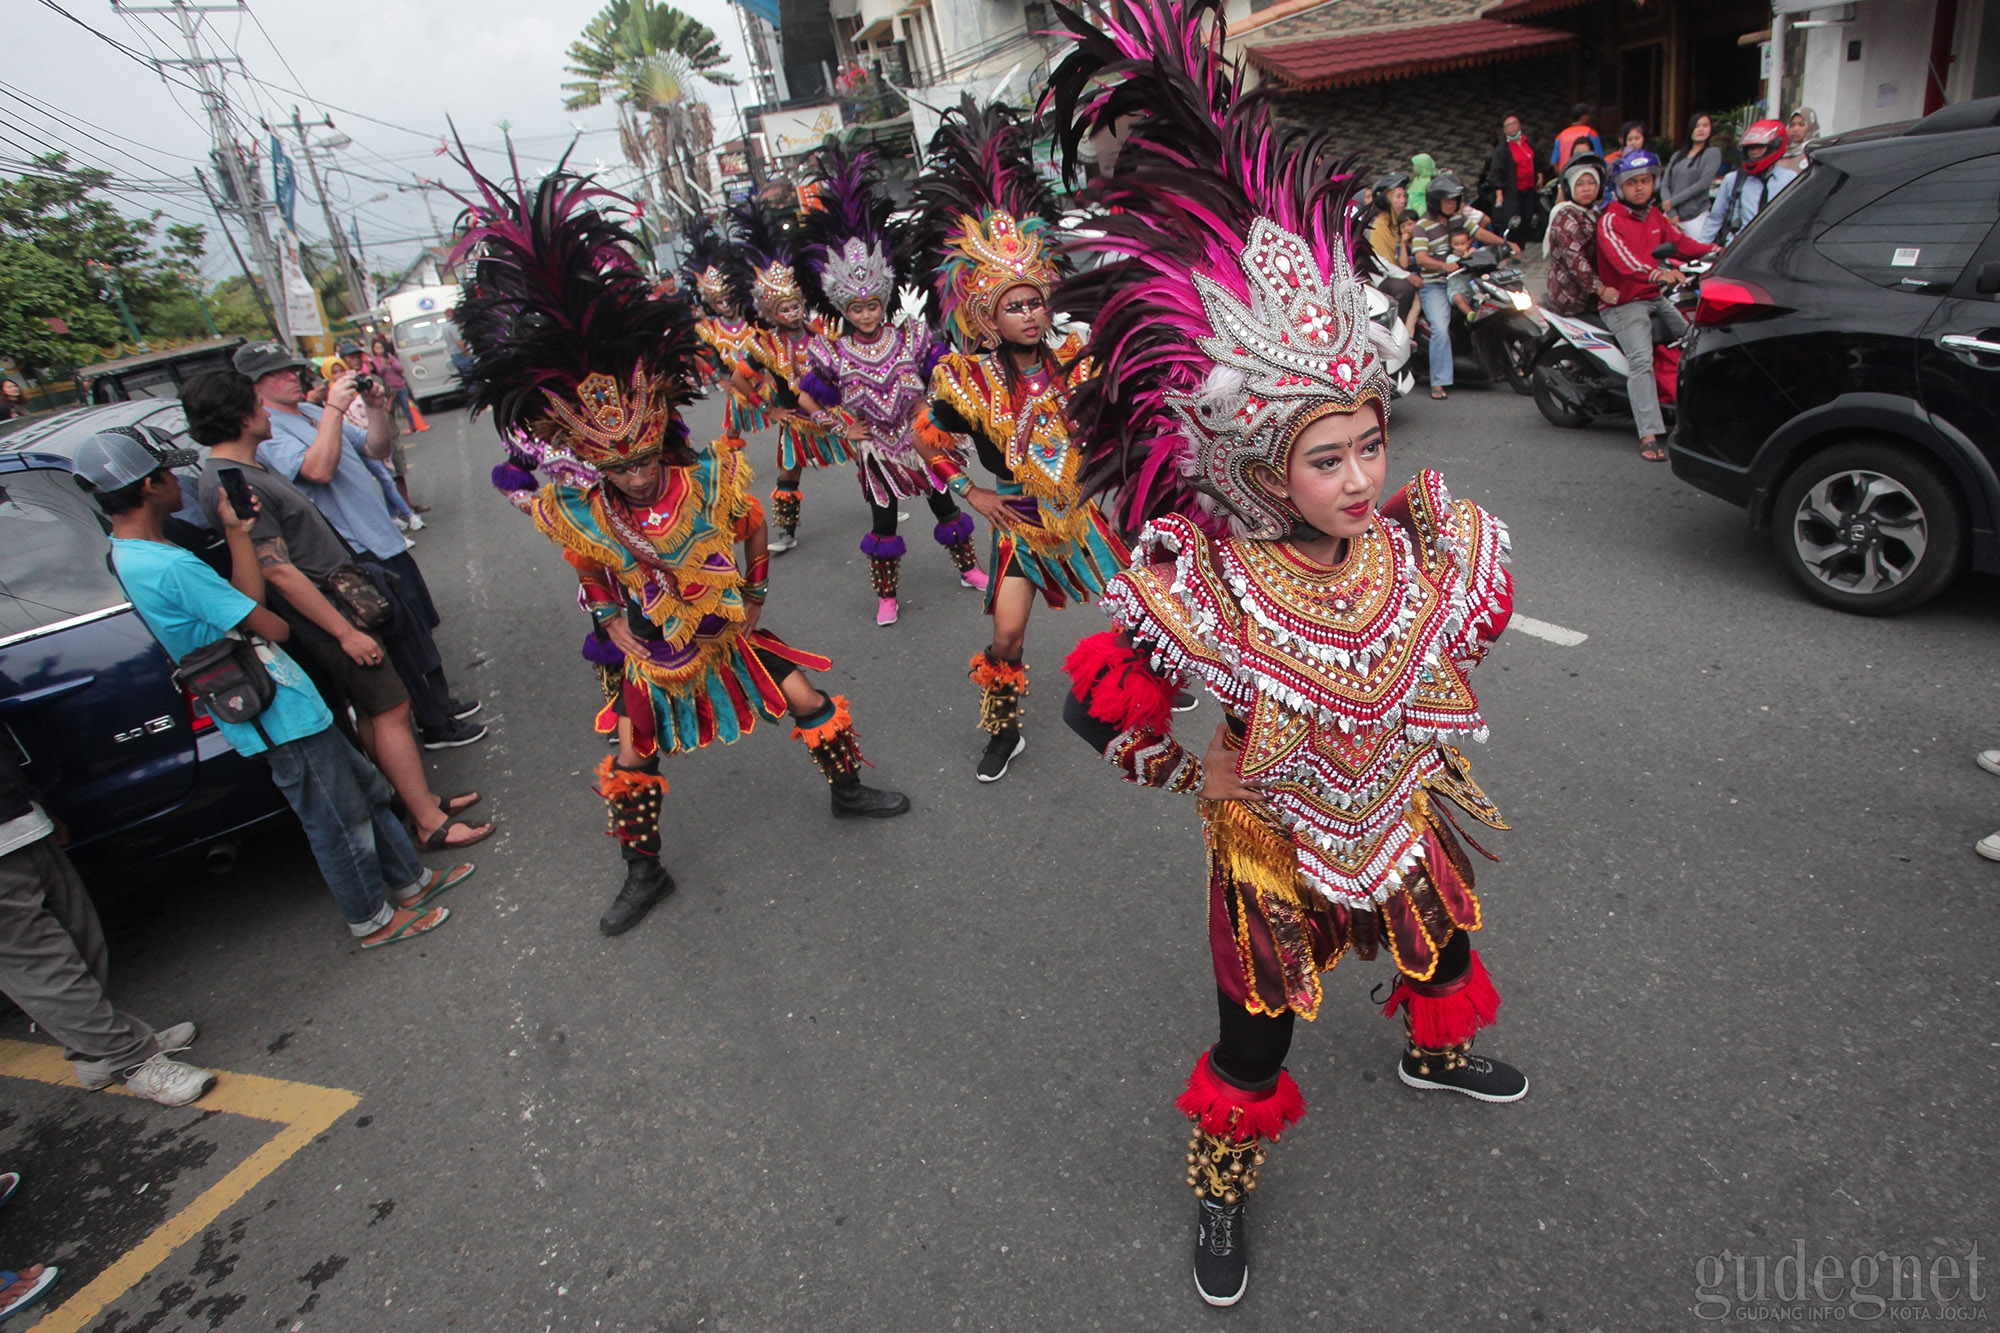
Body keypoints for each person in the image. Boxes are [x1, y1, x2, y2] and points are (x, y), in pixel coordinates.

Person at [1047, 0, 1529, 1305]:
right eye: (1330, 458)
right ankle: (1220, 1185)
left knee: (1437, 942)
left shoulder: (1419, 539)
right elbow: (1097, 700)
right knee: (1254, 1040)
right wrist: (1165, 756)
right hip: (1269, 840)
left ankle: (1432, 1052)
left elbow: (1451, 642)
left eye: (1370, 440)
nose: (1365, 475)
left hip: (1399, 809)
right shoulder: (1204, 580)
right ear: (1256, 461)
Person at [456, 160, 911, 938]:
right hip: (654, 649)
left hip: (731, 629)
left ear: (659, 440)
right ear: (595, 460)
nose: (633, 474)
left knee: (808, 700)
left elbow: (755, 529)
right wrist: (611, 623)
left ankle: (846, 789)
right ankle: (644, 869)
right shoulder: (587, 508)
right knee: (634, 758)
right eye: (616, 464)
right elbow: (590, 564)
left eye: (641, 458)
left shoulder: (708, 479)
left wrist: (757, 596)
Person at [74, 429, 468, 948]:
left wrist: (238, 535)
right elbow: (269, 623)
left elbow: (239, 606)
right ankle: (372, 919)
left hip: (281, 696)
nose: (181, 486)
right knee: (335, 819)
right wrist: (242, 544)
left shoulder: (132, 554)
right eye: (170, 475)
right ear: (150, 485)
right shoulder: (165, 565)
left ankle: (410, 882)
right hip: (272, 707)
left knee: (366, 791)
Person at [907, 96, 1133, 783]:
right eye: (1015, 305)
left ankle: (1145, 688)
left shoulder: (1079, 352)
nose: (1031, 313)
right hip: (1021, 520)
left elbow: (1122, 406)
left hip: (1086, 511)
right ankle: (1004, 730)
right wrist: (968, 490)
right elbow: (925, 437)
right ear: (986, 314)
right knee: (1006, 634)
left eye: (1035, 300)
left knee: (1140, 607)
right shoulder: (965, 380)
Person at [183, 371, 493, 852]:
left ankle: (417, 800)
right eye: (257, 405)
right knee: (391, 707)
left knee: (377, 711)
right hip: (327, 615)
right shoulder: (233, 482)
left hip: (336, 606)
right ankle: (428, 820)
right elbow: (277, 570)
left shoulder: (245, 471)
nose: (266, 411)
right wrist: (344, 632)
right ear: (242, 417)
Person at [235, 341, 487, 750]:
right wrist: (334, 409)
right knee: (398, 642)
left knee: (419, 628)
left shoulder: (313, 412)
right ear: (254, 386)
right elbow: (317, 469)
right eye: (278, 373)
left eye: (292, 369)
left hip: (382, 537)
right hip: (352, 552)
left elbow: (376, 448)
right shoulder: (272, 431)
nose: (291, 376)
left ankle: (440, 704)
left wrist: (374, 407)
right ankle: (435, 723)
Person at [793, 144, 988, 626]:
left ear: (885, 301)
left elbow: (948, 372)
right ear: (842, 309)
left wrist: (956, 385)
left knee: (945, 504)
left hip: (922, 437)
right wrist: (840, 426)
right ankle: (886, 596)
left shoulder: (913, 336)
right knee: (883, 525)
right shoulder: (831, 353)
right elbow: (804, 401)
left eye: (873, 305)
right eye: (856, 308)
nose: (865, 314)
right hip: (877, 450)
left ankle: (969, 569)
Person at [0, 750, 214, 1105]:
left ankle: (94, 1054)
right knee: (45, 971)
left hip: (20, 823)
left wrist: (33, 803)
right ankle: (134, 1061)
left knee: (82, 944)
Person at [727, 204, 853, 554]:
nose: (793, 312)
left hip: (831, 412)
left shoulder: (821, 332)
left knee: (864, 455)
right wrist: (768, 410)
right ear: (771, 313)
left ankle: (883, 507)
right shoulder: (765, 346)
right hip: (795, 421)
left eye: (796, 305)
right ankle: (786, 532)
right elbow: (739, 379)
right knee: (788, 475)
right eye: (784, 309)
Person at [1595, 148, 1715, 461]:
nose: (1639, 187)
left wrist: (1717, 251)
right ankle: (1649, 434)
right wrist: (1657, 274)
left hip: (1654, 296)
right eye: (1632, 182)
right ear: (1621, 186)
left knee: (1696, 341)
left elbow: (1682, 243)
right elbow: (1624, 262)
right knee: (1641, 361)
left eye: (1645, 181)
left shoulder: (1655, 216)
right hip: (1624, 303)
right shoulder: (1610, 220)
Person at [1412, 174, 1514, 399]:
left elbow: (1479, 233)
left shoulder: (1459, 218)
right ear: (1435, 201)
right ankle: (1438, 381)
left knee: (1492, 311)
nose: (1452, 204)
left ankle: (1498, 366)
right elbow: (1420, 258)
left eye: (1454, 200)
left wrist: (1505, 244)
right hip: (1435, 285)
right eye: (1447, 200)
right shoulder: (1422, 226)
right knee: (1440, 327)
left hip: (1463, 279)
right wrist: (1442, 266)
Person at [1692, 119, 1797, 247]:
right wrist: (1700, 248)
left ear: (1773, 146)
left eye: (1759, 147)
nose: (1754, 152)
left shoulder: (1790, 179)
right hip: (1739, 248)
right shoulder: (1733, 180)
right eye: (1750, 148)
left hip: (1774, 247)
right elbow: (1715, 218)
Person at [1542, 152, 1617, 316]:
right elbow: (1575, 259)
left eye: (1591, 183)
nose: (1587, 188)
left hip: (1591, 295)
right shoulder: (1565, 215)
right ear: (1570, 188)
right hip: (1570, 296)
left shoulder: (1595, 214)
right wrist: (1601, 289)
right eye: (1580, 184)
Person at [1364, 173, 1421, 332]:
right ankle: (1395, 331)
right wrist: (1407, 275)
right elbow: (1380, 262)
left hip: (1399, 270)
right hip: (1381, 277)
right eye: (1398, 196)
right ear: (1386, 199)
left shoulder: (1398, 223)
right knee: (1405, 288)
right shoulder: (1378, 226)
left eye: (1404, 196)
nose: (1403, 200)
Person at [1486, 111, 1545, 241]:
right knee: (1513, 221)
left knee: (1527, 218)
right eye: (1508, 125)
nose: (1512, 127)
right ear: (1504, 129)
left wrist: (1539, 174)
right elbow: (1496, 173)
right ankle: (1509, 248)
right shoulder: (1502, 149)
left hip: (1529, 188)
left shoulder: (1526, 141)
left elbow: (1536, 159)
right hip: (1513, 191)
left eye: (1514, 123)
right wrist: (1499, 195)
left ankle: (1520, 248)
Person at [1660, 110, 1724, 225]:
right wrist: (1672, 212)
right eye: (1697, 126)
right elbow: (1665, 184)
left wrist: (1672, 202)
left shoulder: (1712, 153)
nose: (1701, 129)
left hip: (1695, 216)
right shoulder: (1677, 155)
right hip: (1671, 215)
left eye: (1705, 125)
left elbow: (1702, 184)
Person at [370, 334, 423, 437]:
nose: (379, 350)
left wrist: (391, 363)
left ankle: (413, 427)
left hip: (400, 385)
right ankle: (393, 431)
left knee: (406, 408)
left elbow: (400, 368)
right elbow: (378, 374)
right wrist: (382, 366)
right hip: (388, 389)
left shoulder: (390, 357)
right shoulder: (374, 361)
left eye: (380, 347)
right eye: (376, 348)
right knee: (391, 411)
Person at [1552, 104, 1602, 170]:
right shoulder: (1591, 133)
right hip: (1586, 174)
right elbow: (1600, 158)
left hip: (1566, 175)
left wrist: (1562, 176)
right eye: (1588, 115)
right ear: (1584, 117)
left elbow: (1554, 162)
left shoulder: (1561, 135)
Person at [1778, 107, 1819, 175]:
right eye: (1792, 125)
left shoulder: (1815, 153)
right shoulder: (1782, 152)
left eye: (1801, 124)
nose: (1795, 129)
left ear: (1810, 126)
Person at [1407, 151, 1436, 216]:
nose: (1413, 168)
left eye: (1415, 165)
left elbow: (1423, 204)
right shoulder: (1417, 179)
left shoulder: (1429, 183)